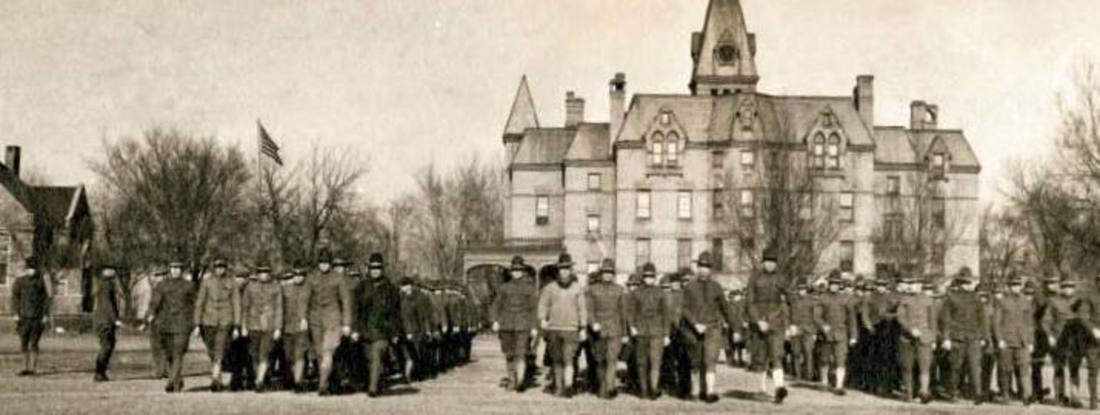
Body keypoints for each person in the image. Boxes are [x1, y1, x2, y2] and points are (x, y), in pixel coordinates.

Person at [681, 251, 733, 403]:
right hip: (693, 329)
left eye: (707, 267)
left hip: (712, 328)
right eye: (701, 266)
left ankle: (710, 391)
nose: (704, 270)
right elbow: (684, 309)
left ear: (711, 269)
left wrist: (735, 328)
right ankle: (696, 391)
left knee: (710, 360)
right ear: (697, 268)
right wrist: (695, 324)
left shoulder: (716, 287)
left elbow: (725, 307)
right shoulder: (689, 287)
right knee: (695, 362)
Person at [301, 249, 353, 396]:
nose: (324, 265)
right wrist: (303, 318)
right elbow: (305, 298)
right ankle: (325, 381)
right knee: (319, 352)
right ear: (318, 263)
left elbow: (345, 300)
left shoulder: (338, 278)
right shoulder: (311, 277)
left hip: (333, 317)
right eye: (321, 263)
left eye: (326, 263)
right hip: (315, 318)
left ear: (331, 264)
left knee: (328, 350)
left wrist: (347, 323)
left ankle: (322, 384)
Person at [537, 253, 587, 398]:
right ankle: (559, 388)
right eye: (562, 269)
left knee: (569, 359)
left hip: (571, 330)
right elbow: (543, 305)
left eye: (567, 269)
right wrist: (542, 319)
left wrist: (583, 328)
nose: (564, 271)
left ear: (571, 270)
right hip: (554, 329)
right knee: (557, 360)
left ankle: (568, 387)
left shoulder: (578, 288)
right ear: (558, 271)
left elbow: (582, 309)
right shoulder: (550, 288)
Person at [745, 246, 790, 404]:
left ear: (776, 263)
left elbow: (792, 299)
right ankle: (762, 388)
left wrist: (793, 322)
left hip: (777, 323)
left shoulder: (782, 278)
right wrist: (758, 321)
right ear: (763, 262)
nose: (770, 264)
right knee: (761, 357)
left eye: (773, 262)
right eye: (767, 261)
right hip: (759, 323)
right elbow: (749, 302)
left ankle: (779, 388)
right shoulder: (754, 278)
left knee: (776, 355)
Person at [356, 253, 402, 397]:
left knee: (376, 355)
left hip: (383, 329)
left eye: (378, 268)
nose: (375, 271)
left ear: (382, 269)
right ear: (369, 269)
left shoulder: (390, 289)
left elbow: (396, 312)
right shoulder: (362, 287)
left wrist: (395, 332)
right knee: (368, 359)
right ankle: (376, 381)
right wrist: (355, 329)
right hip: (365, 329)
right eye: (372, 268)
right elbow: (356, 310)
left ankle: (373, 388)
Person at [193, 256, 241, 391]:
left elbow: (236, 303)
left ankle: (215, 379)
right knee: (211, 351)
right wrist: (197, 324)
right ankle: (217, 376)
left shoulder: (232, 282)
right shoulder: (207, 282)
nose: (220, 270)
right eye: (218, 267)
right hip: (208, 322)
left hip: (225, 321)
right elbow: (200, 303)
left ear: (226, 268)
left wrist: (236, 325)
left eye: (222, 267)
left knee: (220, 349)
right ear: (214, 269)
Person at [491, 256, 539, 392]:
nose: (516, 272)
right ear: (511, 272)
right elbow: (496, 305)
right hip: (506, 325)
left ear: (523, 271)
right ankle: (512, 378)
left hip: (523, 325)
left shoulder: (530, 289)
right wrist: (495, 320)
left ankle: (520, 381)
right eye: (514, 270)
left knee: (521, 353)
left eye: (519, 270)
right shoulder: (504, 288)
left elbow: (534, 308)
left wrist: (534, 326)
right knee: (509, 354)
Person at [148, 260, 196, 393]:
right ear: (169, 270)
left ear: (182, 270)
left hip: (182, 324)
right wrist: (151, 314)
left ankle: (171, 382)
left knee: (178, 353)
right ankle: (177, 379)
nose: (175, 270)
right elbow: (154, 302)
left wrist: (195, 323)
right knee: (169, 354)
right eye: (173, 268)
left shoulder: (189, 286)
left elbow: (195, 305)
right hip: (165, 324)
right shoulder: (162, 286)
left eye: (178, 268)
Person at [940, 276, 988, 405]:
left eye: (970, 282)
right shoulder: (950, 298)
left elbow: (982, 319)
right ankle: (953, 393)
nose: (969, 285)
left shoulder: (976, 298)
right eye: (966, 282)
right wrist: (946, 338)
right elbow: (946, 320)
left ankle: (977, 394)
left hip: (973, 337)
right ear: (960, 284)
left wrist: (983, 337)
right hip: (957, 337)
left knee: (975, 367)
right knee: (956, 367)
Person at [585, 258, 627, 399]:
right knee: (600, 360)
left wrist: (625, 333)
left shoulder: (619, 290)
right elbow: (589, 310)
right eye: (605, 272)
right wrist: (593, 323)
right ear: (601, 273)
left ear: (613, 274)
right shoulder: (592, 289)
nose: (608, 275)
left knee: (612, 359)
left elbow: (623, 313)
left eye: (610, 272)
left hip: (615, 330)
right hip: (598, 330)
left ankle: (609, 388)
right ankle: (602, 386)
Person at [627, 263, 670, 400]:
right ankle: (644, 390)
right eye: (646, 276)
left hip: (657, 332)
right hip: (641, 332)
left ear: (655, 277)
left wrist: (666, 334)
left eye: (651, 276)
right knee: (641, 362)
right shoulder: (636, 293)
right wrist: (632, 327)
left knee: (656, 361)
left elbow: (666, 314)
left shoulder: (661, 293)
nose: (649, 279)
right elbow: (630, 312)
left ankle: (653, 388)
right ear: (643, 277)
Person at [993, 276, 1035, 405]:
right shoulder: (1002, 302)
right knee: (1006, 369)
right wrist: (999, 339)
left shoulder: (1025, 302)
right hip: (1007, 340)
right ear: (1008, 286)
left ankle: (1026, 395)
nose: (1015, 287)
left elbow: (1029, 324)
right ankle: (1005, 394)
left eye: (1017, 285)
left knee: (1024, 368)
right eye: (1013, 285)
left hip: (1022, 341)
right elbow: (996, 322)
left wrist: (1031, 341)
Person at [241, 263, 283, 392]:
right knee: (254, 354)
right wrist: (243, 326)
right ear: (258, 274)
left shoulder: (276, 287)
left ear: (270, 274)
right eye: (261, 273)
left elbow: (279, 308)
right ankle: (259, 378)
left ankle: (259, 381)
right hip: (253, 324)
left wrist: (278, 328)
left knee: (264, 353)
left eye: (266, 273)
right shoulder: (250, 287)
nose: (264, 275)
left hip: (269, 325)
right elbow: (245, 308)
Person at [1042, 279, 1084, 407]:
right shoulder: (1053, 301)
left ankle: (1075, 397)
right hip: (1059, 339)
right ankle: (1059, 397)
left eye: (1071, 286)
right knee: (1058, 368)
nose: (1068, 289)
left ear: (1074, 288)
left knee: (1074, 368)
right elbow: (1046, 320)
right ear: (1061, 287)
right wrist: (1050, 336)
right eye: (1065, 286)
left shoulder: (1080, 302)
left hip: (1075, 341)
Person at [896, 276, 938, 403]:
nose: (911, 286)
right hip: (907, 338)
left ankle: (924, 392)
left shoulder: (929, 301)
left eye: (914, 284)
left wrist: (933, 339)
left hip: (925, 338)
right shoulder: (904, 300)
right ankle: (908, 393)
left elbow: (933, 322)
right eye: (910, 284)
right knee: (907, 366)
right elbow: (900, 318)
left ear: (920, 285)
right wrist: (910, 329)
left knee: (924, 367)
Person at [814, 274, 857, 395]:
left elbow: (851, 319)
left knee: (840, 360)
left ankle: (839, 386)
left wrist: (853, 336)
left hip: (841, 333)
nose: (834, 286)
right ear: (829, 284)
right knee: (824, 359)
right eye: (832, 284)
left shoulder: (846, 299)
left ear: (840, 285)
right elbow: (816, 316)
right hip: (826, 334)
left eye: (837, 284)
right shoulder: (822, 298)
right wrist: (823, 326)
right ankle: (824, 381)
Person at [11, 257, 51, 376]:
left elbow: (46, 299)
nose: (31, 271)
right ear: (26, 269)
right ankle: (24, 367)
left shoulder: (41, 282)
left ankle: (33, 368)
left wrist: (45, 314)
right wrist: (15, 313)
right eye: (29, 269)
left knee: (34, 342)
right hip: (23, 317)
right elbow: (15, 299)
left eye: (33, 269)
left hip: (37, 317)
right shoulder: (19, 282)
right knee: (23, 342)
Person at [280, 266, 310, 392]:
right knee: (289, 355)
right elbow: (280, 307)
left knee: (300, 354)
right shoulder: (286, 289)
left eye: (301, 275)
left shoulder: (309, 289)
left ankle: (298, 382)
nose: (298, 277)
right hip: (287, 327)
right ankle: (294, 378)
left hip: (302, 326)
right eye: (296, 275)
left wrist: (306, 319)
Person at [92, 262, 124, 382]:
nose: (113, 272)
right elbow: (107, 304)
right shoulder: (106, 285)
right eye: (110, 269)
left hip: (103, 320)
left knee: (108, 345)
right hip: (105, 321)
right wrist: (115, 320)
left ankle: (101, 372)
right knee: (107, 346)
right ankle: (99, 371)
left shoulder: (105, 284)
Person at [787, 282, 817, 382]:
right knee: (796, 353)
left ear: (806, 290)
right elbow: (788, 314)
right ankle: (797, 375)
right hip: (795, 328)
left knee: (808, 353)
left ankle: (809, 376)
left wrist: (814, 332)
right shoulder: (793, 301)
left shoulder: (811, 301)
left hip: (808, 329)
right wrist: (789, 327)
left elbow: (815, 317)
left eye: (803, 289)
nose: (801, 291)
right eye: (800, 289)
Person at [1078, 271, 1100, 409]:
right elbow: (1082, 316)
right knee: (1093, 370)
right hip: (1093, 340)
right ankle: (1093, 400)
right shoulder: (1089, 297)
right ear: (1097, 282)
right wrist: (1093, 330)